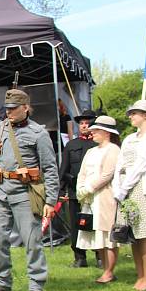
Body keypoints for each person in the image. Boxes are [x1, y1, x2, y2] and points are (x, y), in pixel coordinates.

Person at [0, 89, 59, 291]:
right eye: (6, 108)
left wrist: (51, 200)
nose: (9, 112)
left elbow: (50, 168)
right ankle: (2, 282)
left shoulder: (39, 133)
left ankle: (36, 285)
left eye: (13, 108)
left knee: (32, 241)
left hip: (25, 193)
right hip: (0, 191)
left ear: (25, 108)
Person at [76, 116, 121, 284]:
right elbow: (82, 173)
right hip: (89, 199)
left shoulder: (113, 150)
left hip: (105, 196)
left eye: (96, 130)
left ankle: (109, 271)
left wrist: (89, 188)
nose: (92, 133)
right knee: (98, 235)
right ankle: (105, 270)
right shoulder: (91, 151)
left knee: (108, 235)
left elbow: (107, 174)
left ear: (106, 132)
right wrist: (81, 189)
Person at [112, 100, 146, 291]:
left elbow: (141, 165)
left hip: (142, 188)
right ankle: (140, 274)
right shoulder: (129, 138)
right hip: (125, 190)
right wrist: (117, 185)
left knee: (145, 235)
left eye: (135, 113)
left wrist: (124, 188)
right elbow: (120, 163)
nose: (131, 116)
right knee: (133, 235)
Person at [58, 109, 98, 268]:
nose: (83, 126)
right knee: (76, 225)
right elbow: (63, 169)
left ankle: (100, 256)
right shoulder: (71, 145)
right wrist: (61, 190)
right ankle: (79, 257)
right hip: (75, 192)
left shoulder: (98, 145)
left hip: (95, 192)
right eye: (81, 123)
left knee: (96, 224)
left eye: (87, 123)